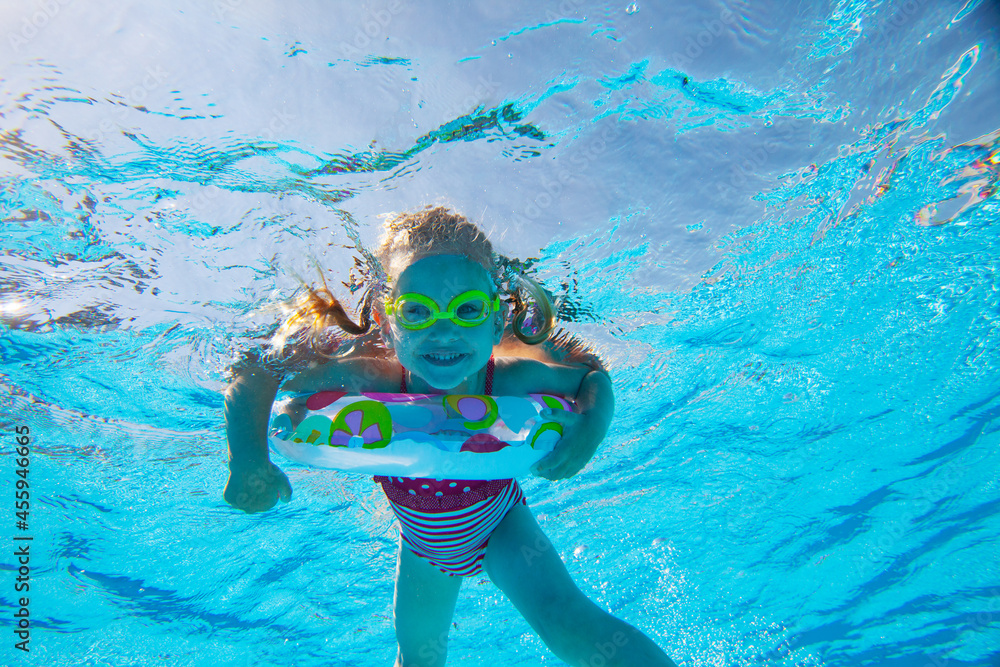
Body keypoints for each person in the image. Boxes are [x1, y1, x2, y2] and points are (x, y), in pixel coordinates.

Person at [224, 207, 678, 667]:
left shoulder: (509, 380)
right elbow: (258, 368)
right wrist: (248, 458)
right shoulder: (372, 378)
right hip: (422, 547)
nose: (444, 330)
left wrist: (592, 428)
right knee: (417, 659)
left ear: (497, 322)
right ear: (387, 323)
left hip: (502, 527)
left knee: (565, 618)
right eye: (418, 311)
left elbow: (590, 377)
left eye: (467, 310)